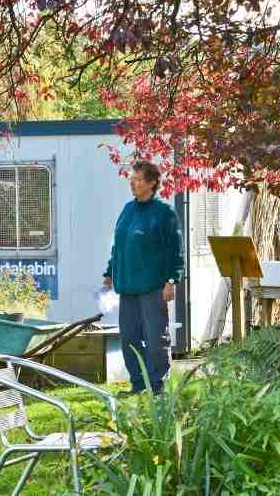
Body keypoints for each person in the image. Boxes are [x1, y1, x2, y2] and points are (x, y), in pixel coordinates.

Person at [103, 161, 183, 395]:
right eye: (132, 178)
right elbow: (118, 245)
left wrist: (171, 280)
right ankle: (138, 385)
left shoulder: (164, 213)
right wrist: (110, 272)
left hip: (152, 286)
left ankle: (158, 386)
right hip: (127, 286)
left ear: (151, 183)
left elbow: (175, 250)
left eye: (138, 179)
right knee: (129, 339)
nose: (133, 182)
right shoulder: (128, 209)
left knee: (156, 338)